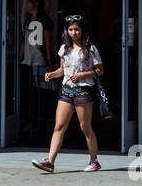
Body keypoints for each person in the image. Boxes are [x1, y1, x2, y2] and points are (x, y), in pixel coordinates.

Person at [32, 15, 102, 173]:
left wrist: (82, 75)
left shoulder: (90, 48)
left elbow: (99, 70)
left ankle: (94, 160)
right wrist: (52, 74)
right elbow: (62, 70)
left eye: (76, 29)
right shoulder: (65, 48)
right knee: (59, 126)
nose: (73, 32)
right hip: (66, 89)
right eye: (70, 29)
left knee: (85, 127)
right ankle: (50, 161)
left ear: (82, 30)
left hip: (83, 90)